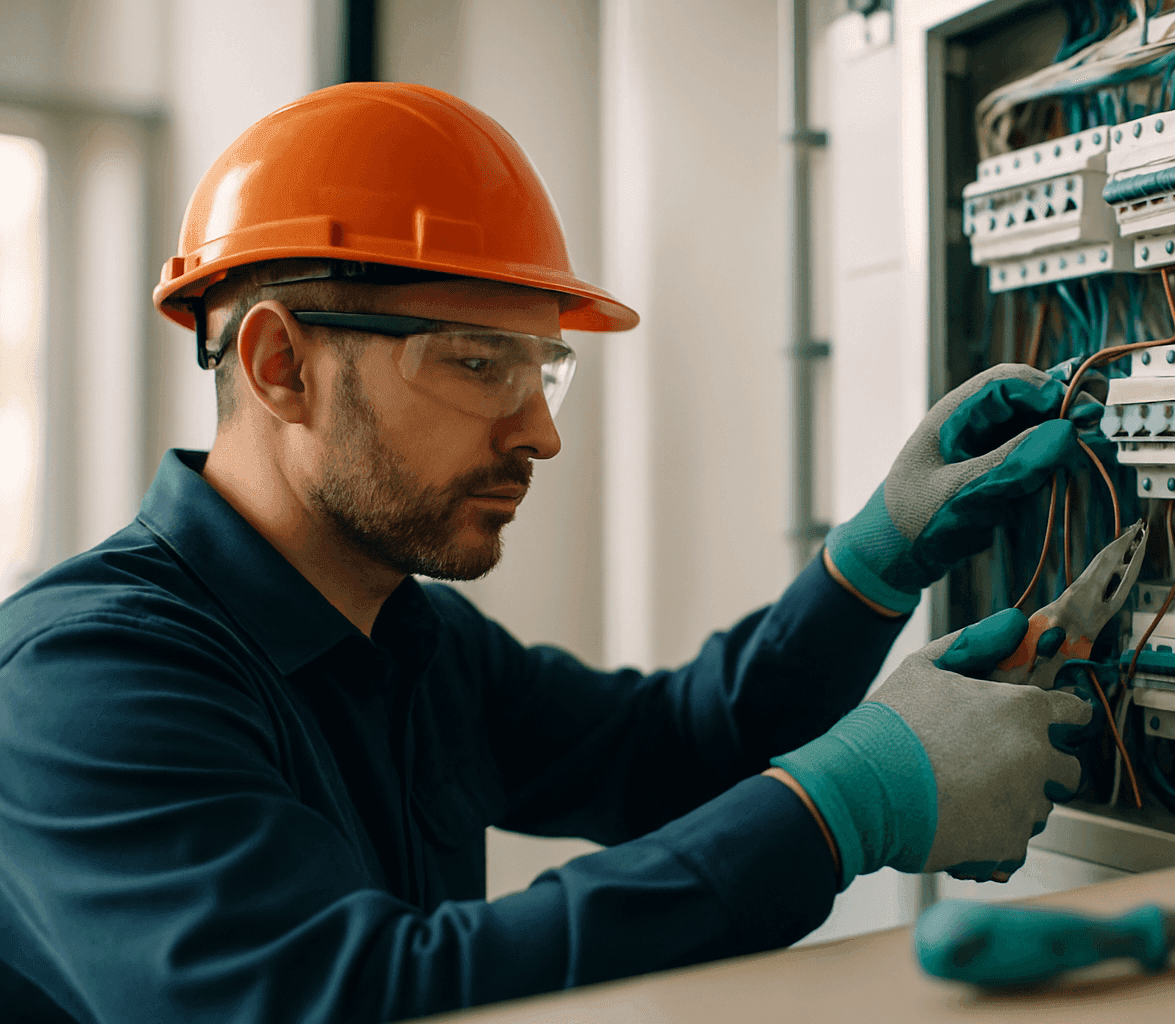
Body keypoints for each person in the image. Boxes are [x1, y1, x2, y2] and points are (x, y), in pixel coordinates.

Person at [0, 83, 1102, 1023]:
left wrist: (869, 568)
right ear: (282, 363)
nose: (540, 430)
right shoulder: (79, 684)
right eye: (482, 365)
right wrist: (847, 805)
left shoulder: (403, 630)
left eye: (544, 370)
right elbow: (354, 997)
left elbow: (664, 754)